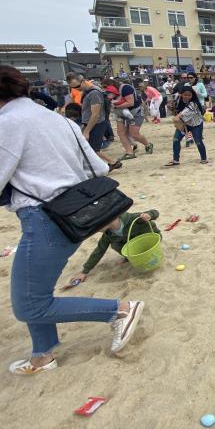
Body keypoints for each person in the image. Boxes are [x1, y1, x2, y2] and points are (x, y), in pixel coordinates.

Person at [0, 66, 144, 374]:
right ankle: (42, 355)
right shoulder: (57, 119)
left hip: (44, 217)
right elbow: (99, 166)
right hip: (74, 213)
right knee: (35, 292)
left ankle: (120, 310)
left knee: (28, 304)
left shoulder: (8, 123)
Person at [68, 210, 161, 286]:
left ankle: (138, 255)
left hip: (151, 242)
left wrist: (149, 215)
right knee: (115, 245)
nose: (95, 229)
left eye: (96, 225)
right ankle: (128, 257)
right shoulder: (108, 234)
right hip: (134, 247)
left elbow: (155, 212)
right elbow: (99, 251)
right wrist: (84, 271)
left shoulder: (133, 219)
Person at [66, 74, 120, 170]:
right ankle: (111, 162)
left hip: (97, 124)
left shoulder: (94, 93)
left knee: (93, 148)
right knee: (89, 147)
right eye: (73, 88)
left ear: (83, 81)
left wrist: (86, 131)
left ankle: (112, 162)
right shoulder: (87, 91)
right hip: (91, 123)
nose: (76, 89)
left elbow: (96, 115)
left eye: (77, 86)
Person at [110, 78, 153, 161]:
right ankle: (129, 153)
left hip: (136, 112)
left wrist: (115, 106)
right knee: (121, 133)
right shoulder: (109, 93)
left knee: (134, 134)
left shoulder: (126, 88)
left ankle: (148, 145)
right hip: (121, 113)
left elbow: (130, 103)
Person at [165, 86, 208, 166]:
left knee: (198, 142)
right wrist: (171, 108)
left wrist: (178, 116)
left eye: (189, 95)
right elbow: (174, 109)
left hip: (196, 125)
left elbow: (186, 111)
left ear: (192, 95)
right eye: (185, 95)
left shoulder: (194, 103)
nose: (187, 97)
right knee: (176, 140)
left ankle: (204, 158)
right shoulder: (178, 100)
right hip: (184, 124)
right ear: (181, 94)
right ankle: (175, 160)